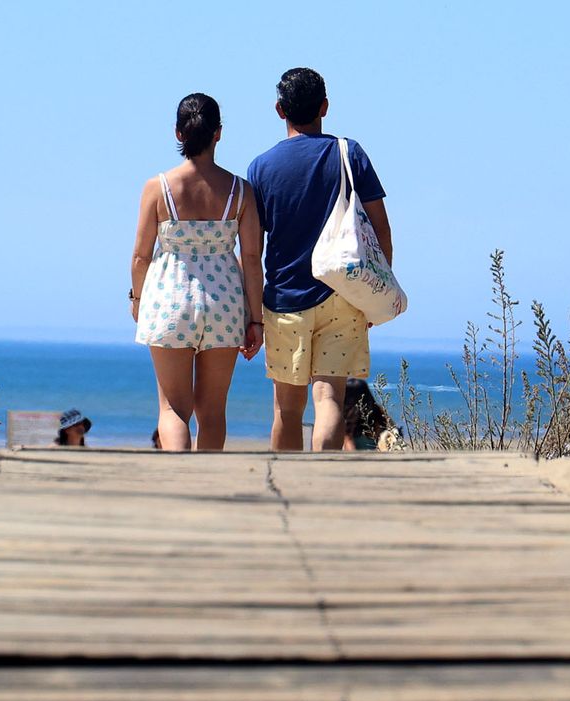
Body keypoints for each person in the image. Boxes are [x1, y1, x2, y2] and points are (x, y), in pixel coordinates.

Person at [248, 68, 392, 452]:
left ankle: (286, 486)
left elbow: (253, 246)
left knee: (286, 410)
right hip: (342, 293)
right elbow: (380, 229)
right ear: (325, 107)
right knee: (328, 399)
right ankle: (323, 478)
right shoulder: (349, 153)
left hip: (284, 300)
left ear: (279, 110)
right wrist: (374, 294)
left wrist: (253, 311)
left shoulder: (260, 168)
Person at [131, 93, 265, 451]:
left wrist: (137, 299)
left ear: (179, 133)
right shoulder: (241, 191)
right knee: (213, 410)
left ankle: (179, 483)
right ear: (218, 133)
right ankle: (210, 483)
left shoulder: (158, 188)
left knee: (174, 408)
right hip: (224, 300)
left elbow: (141, 256)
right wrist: (257, 319)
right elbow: (251, 258)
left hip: (169, 298)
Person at [341, 377, 395, 451]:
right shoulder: (378, 412)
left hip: (356, 458)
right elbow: (392, 430)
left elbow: (348, 442)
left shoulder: (343, 416)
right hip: (378, 456)